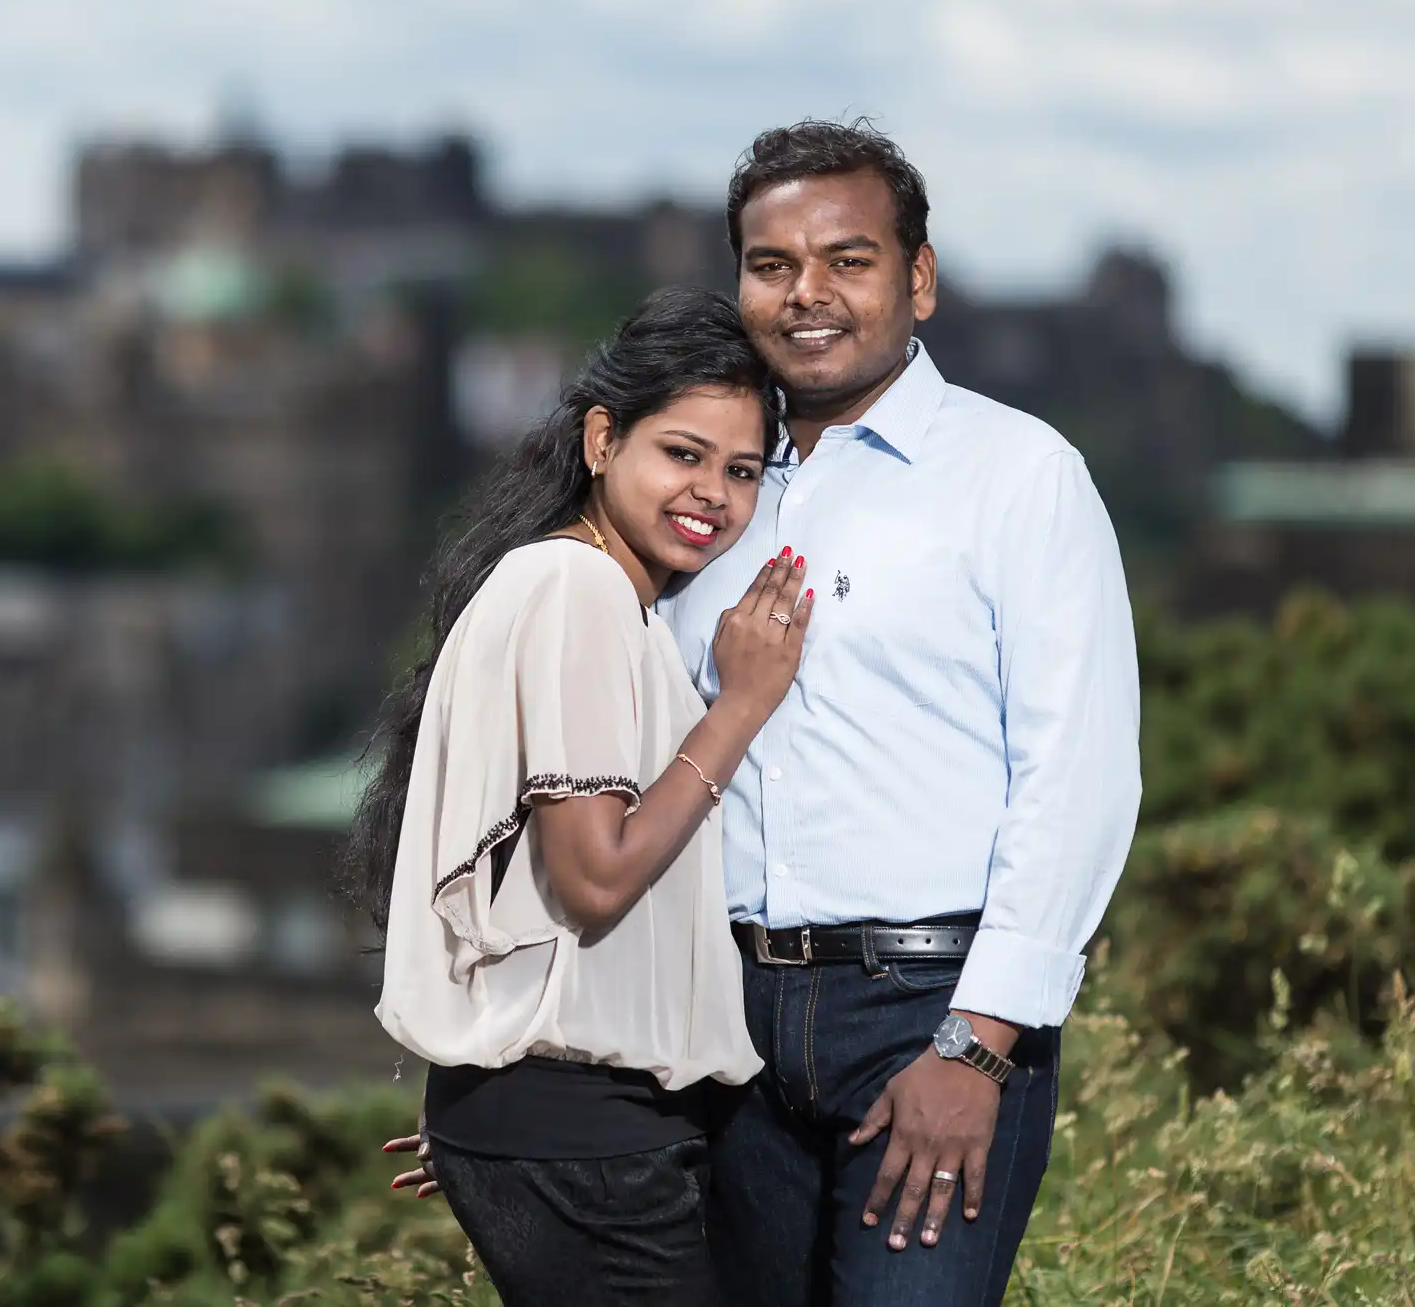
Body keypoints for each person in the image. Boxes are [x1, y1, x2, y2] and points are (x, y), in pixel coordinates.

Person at [387, 121, 1142, 1306]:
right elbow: (590, 786)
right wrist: (527, 1083)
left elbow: (1078, 781)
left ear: (918, 280)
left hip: (923, 1007)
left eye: (847, 259)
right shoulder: (702, 500)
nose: (806, 294)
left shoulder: (1016, 475)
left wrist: (976, 1045)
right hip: (718, 1029)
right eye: (770, 264)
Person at [348, 286, 811, 1306]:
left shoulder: (593, 591)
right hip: (580, 1134)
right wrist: (739, 706)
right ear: (602, 438)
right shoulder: (578, 590)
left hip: (556, 1122)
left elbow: (539, 896)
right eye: (681, 454)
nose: (712, 495)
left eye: (741, 470)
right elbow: (594, 876)